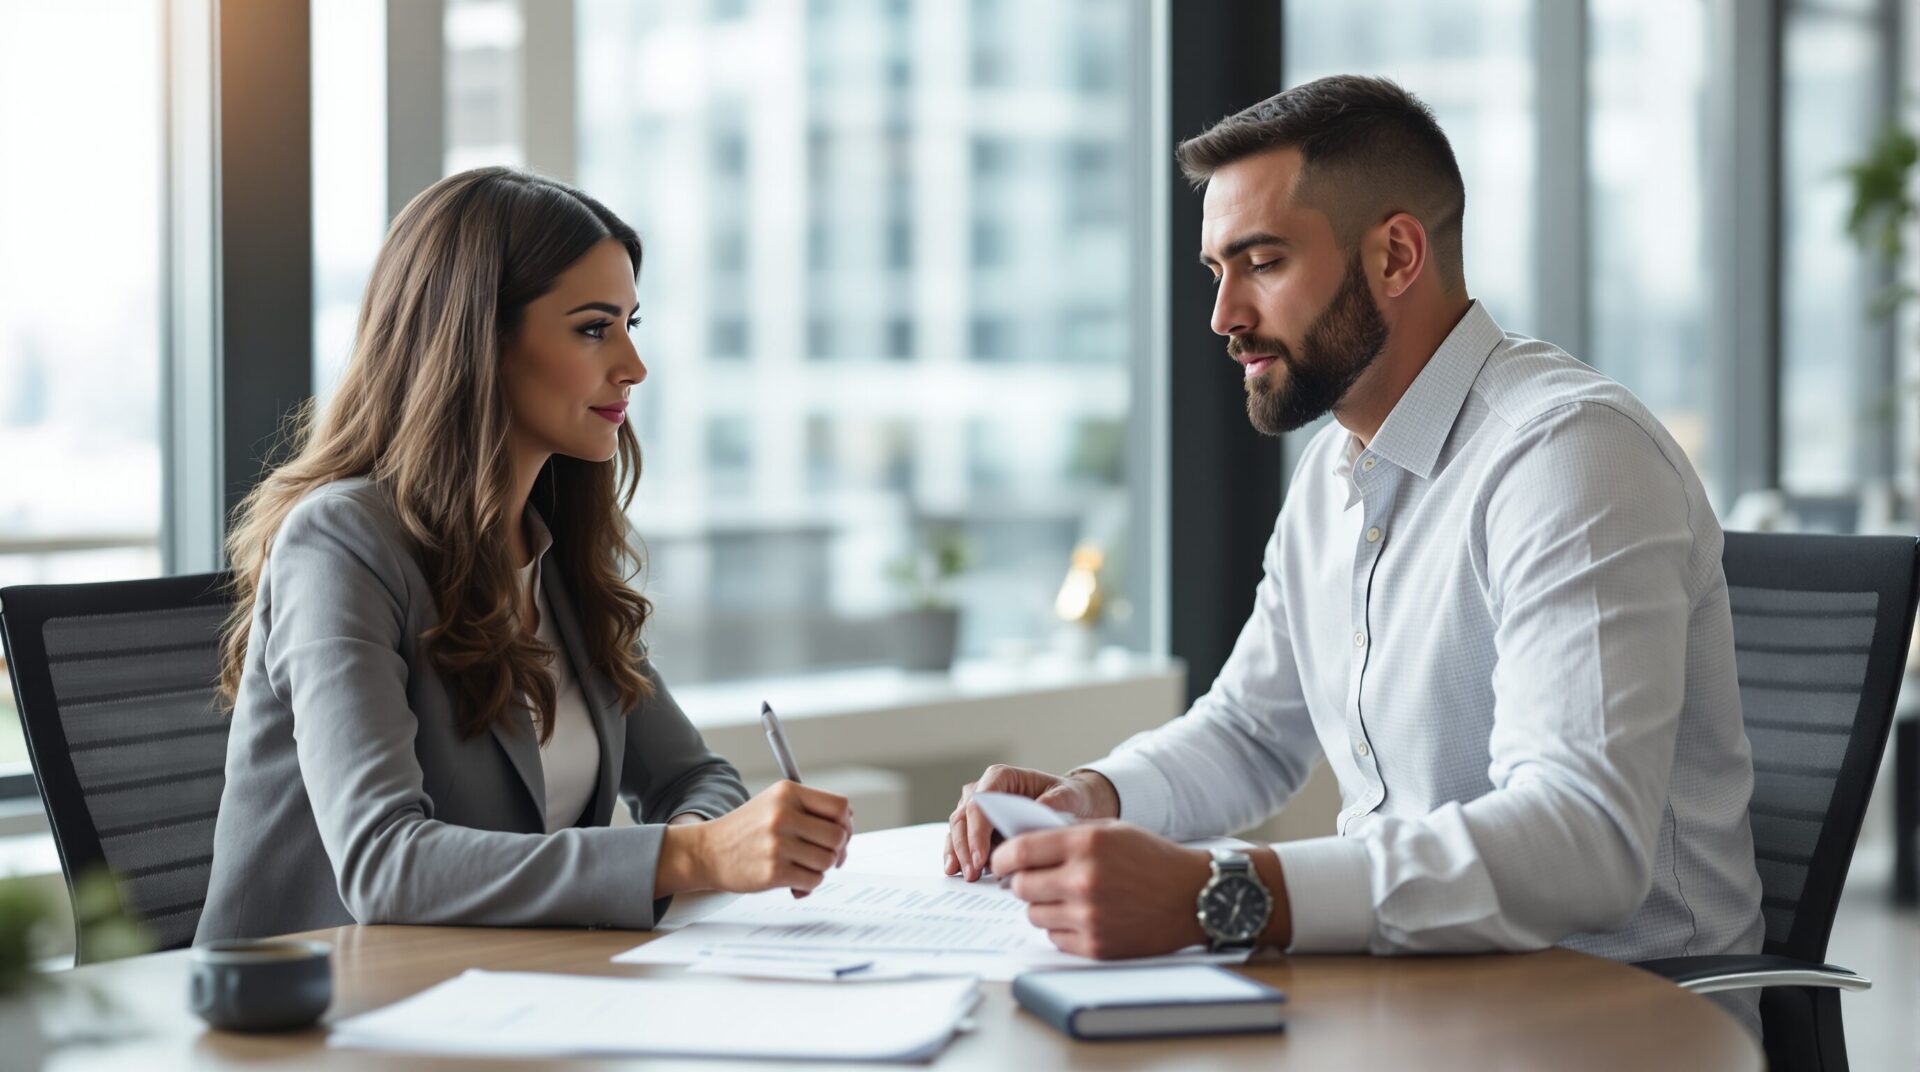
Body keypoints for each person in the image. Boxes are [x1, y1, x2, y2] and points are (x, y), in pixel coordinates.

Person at [945, 76, 1764, 1032]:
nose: (1224, 316)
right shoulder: (1338, 476)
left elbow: (1581, 836)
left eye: (1262, 262)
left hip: (1618, 1017)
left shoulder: (1567, 455)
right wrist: (1097, 795)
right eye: (1217, 270)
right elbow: (1253, 730)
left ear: (1397, 254)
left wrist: (1218, 891)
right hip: (1414, 996)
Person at [197, 168, 851, 942]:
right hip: (320, 1020)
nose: (633, 366)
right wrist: (689, 856)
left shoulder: (550, 546)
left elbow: (693, 778)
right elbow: (383, 863)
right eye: (593, 328)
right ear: (479, 340)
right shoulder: (341, 543)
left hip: (512, 994)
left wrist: (705, 845)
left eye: (630, 324)